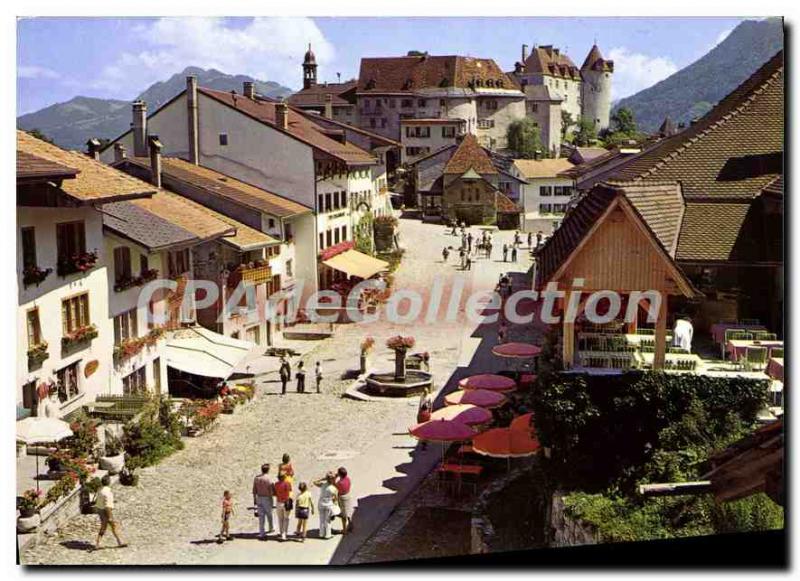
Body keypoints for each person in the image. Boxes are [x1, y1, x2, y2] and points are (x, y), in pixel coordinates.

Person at [93, 475, 126, 550]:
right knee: (113, 526)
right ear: (109, 482)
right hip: (106, 511)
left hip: (100, 510)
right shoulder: (107, 492)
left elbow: (99, 500)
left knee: (104, 527)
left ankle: (98, 543)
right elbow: (107, 506)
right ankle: (120, 542)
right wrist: (110, 517)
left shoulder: (100, 489)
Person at [314, 472, 339, 540]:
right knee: (327, 520)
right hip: (328, 505)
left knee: (321, 520)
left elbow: (314, 482)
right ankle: (328, 534)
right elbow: (335, 499)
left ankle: (321, 534)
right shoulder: (334, 488)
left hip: (321, 503)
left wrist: (323, 478)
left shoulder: (322, 485)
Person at [252, 463, 274, 539]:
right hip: (267, 498)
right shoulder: (268, 479)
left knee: (261, 516)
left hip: (259, 497)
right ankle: (270, 527)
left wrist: (254, 499)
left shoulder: (256, 478)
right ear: (268, 470)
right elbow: (271, 490)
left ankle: (262, 532)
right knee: (269, 514)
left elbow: (254, 490)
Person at [273, 472, 293, 541]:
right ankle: (284, 534)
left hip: (278, 502)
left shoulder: (276, 484)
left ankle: (281, 532)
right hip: (286, 502)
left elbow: (274, 493)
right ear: (284, 477)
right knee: (286, 518)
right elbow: (290, 491)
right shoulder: (287, 483)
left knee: (280, 518)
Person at [335, 467, 354, 535]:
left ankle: (344, 530)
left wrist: (335, 477)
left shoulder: (340, 483)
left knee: (343, 514)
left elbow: (334, 485)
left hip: (342, 497)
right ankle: (351, 524)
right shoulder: (348, 479)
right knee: (348, 511)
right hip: (348, 495)